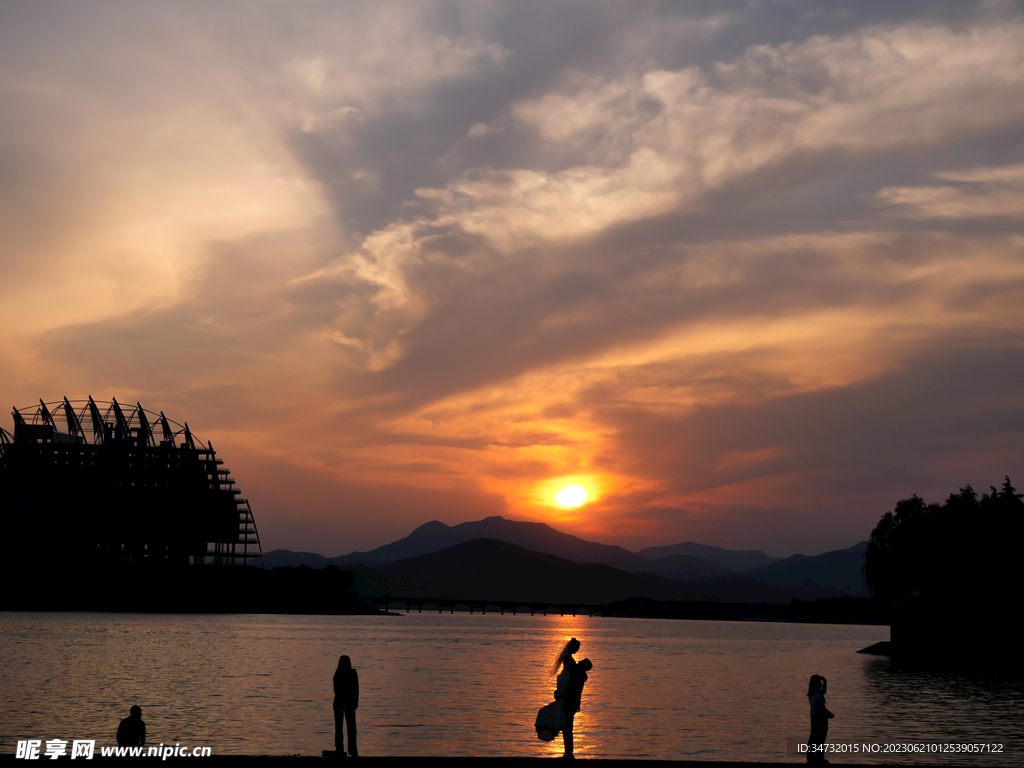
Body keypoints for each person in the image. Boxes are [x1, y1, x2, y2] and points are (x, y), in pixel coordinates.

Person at [334, 655, 359, 757]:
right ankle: (349, 749)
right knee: (349, 727)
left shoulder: (339, 673)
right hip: (346, 703)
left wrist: (355, 701)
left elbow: (336, 689)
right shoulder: (350, 673)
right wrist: (355, 701)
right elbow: (356, 689)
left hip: (344, 703)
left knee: (342, 727)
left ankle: (342, 749)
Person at [806, 675, 834, 763]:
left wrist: (825, 682)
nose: (821, 684)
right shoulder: (817, 695)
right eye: (820, 683)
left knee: (814, 737)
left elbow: (823, 692)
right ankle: (818, 758)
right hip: (820, 719)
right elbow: (822, 709)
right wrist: (830, 715)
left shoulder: (813, 694)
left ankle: (812, 756)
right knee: (820, 739)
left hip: (814, 718)